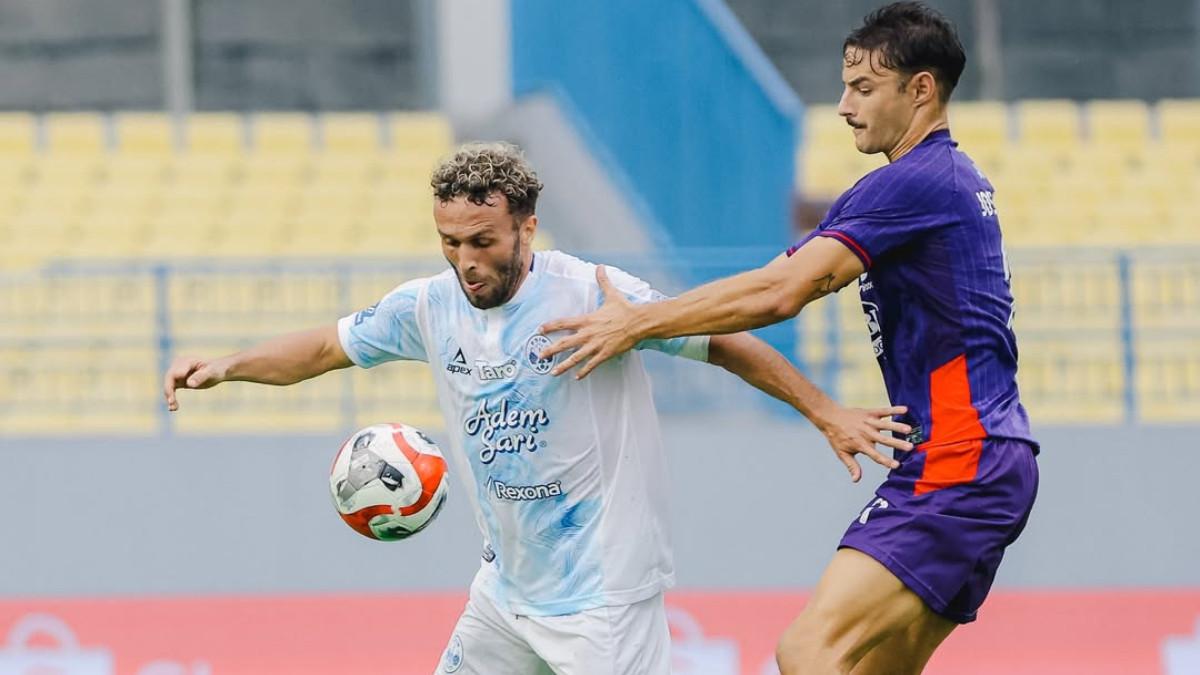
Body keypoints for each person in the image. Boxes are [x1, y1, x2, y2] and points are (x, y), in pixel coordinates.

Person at [161, 142, 910, 674]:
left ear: (526, 226)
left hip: (605, 599)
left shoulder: (590, 292)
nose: (466, 260)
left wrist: (823, 410)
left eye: (482, 240)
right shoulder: (427, 305)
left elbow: (726, 343)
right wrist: (228, 365)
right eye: (449, 241)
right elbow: (327, 347)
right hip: (509, 593)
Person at [539, 4, 1040, 673]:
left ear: (920, 89)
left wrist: (637, 321)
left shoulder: (911, 182)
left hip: (960, 457)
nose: (842, 106)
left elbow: (781, 292)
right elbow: (786, 276)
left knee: (807, 650)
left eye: (863, 88)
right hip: (983, 456)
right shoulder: (954, 179)